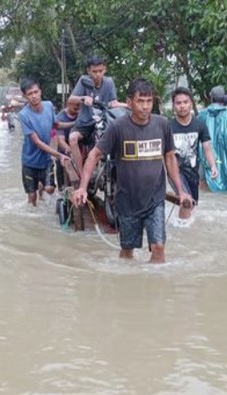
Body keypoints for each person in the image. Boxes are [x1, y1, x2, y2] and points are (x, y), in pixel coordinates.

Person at [72, 78, 192, 263]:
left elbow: (169, 158)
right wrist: (82, 187)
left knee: (159, 247)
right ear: (129, 103)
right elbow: (94, 155)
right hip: (127, 201)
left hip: (155, 200)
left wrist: (181, 191)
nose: (145, 106)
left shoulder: (162, 124)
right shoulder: (118, 127)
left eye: (149, 101)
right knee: (127, 251)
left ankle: (154, 287)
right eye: (140, 101)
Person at [67, 55, 128, 174]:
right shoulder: (84, 81)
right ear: (89, 71)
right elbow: (71, 100)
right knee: (72, 138)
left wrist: (129, 105)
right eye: (94, 71)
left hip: (102, 122)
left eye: (100, 71)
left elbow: (113, 103)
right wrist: (83, 98)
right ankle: (81, 172)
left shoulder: (109, 82)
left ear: (105, 69)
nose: (98, 74)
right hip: (84, 122)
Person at [18, 78, 71, 206]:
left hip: (45, 159)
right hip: (29, 162)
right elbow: (37, 142)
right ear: (25, 96)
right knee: (32, 196)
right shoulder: (23, 115)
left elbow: (56, 125)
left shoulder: (48, 106)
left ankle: (42, 185)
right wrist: (59, 155)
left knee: (50, 189)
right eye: (30, 94)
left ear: (40, 92)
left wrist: (75, 123)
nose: (34, 96)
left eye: (36, 92)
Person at [169, 87, 218, 219]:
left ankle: (182, 225)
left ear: (191, 103)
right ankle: (183, 231)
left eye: (185, 102)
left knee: (193, 204)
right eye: (178, 103)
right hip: (176, 171)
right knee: (186, 201)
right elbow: (165, 155)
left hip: (193, 171)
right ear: (173, 106)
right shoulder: (168, 127)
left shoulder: (200, 125)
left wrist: (213, 166)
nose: (182, 106)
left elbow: (207, 148)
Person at [197, 86, 227, 192]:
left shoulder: (202, 114)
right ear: (223, 98)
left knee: (203, 183)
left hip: (205, 155)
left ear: (211, 97)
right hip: (225, 155)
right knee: (226, 182)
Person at [54, 98, 80, 190]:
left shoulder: (81, 115)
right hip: (64, 154)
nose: (78, 109)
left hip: (79, 153)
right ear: (68, 104)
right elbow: (61, 141)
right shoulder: (60, 117)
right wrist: (72, 153)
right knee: (62, 189)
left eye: (79, 107)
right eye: (75, 107)